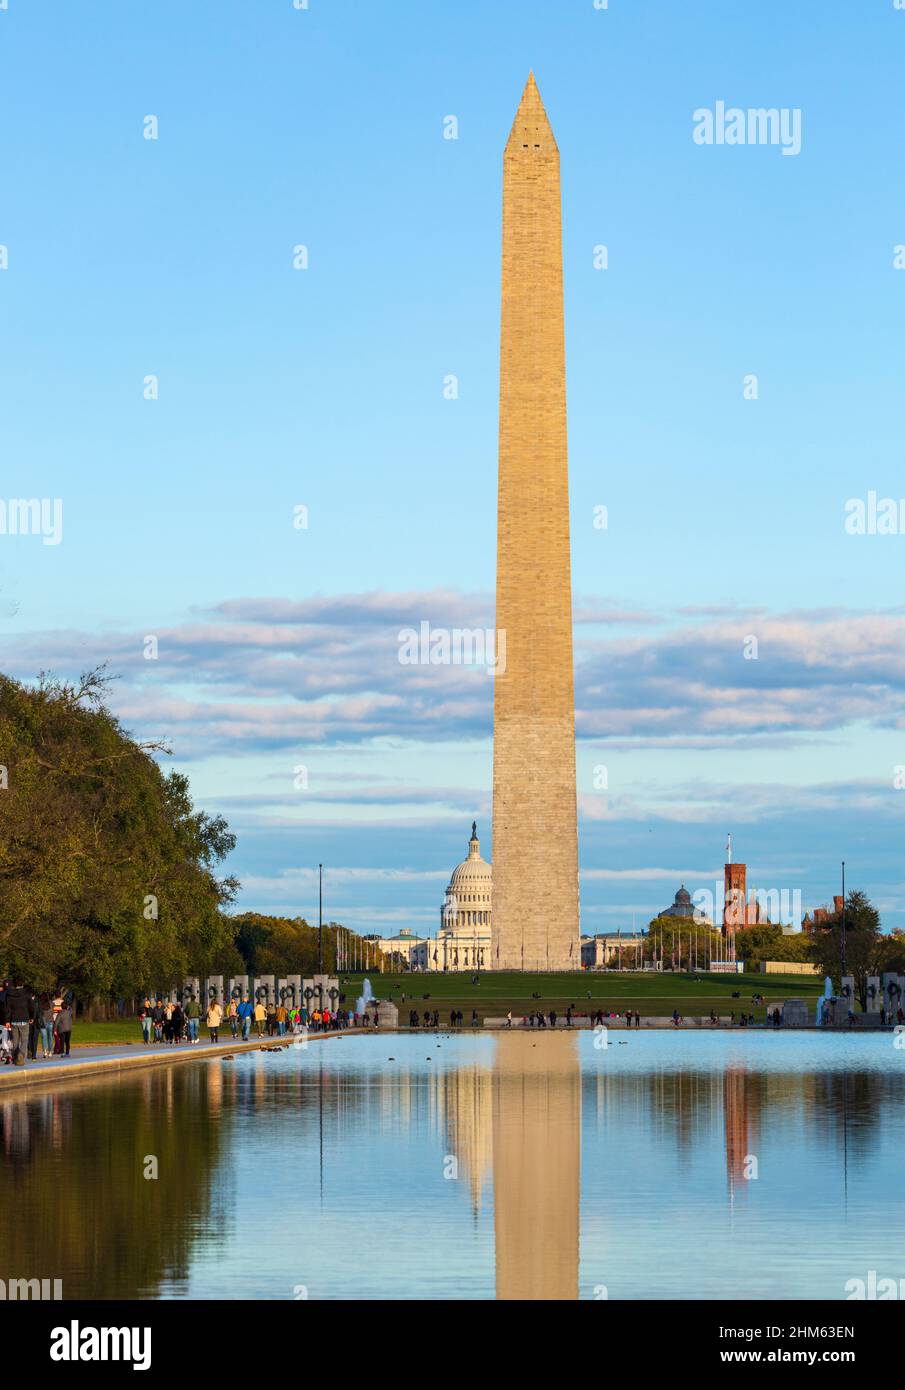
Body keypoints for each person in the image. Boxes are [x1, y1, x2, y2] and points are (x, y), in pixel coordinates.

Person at [5, 978, 37, 1066]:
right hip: (24, 1019)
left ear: (14, 985)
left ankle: (15, 1058)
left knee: (15, 1041)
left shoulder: (9, 995)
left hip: (14, 1020)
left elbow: (8, 1009)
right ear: (22, 984)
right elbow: (32, 1007)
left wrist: (7, 1020)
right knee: (24, 1040)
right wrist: (31, 1017)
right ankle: (21, 1055)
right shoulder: (27, 994)